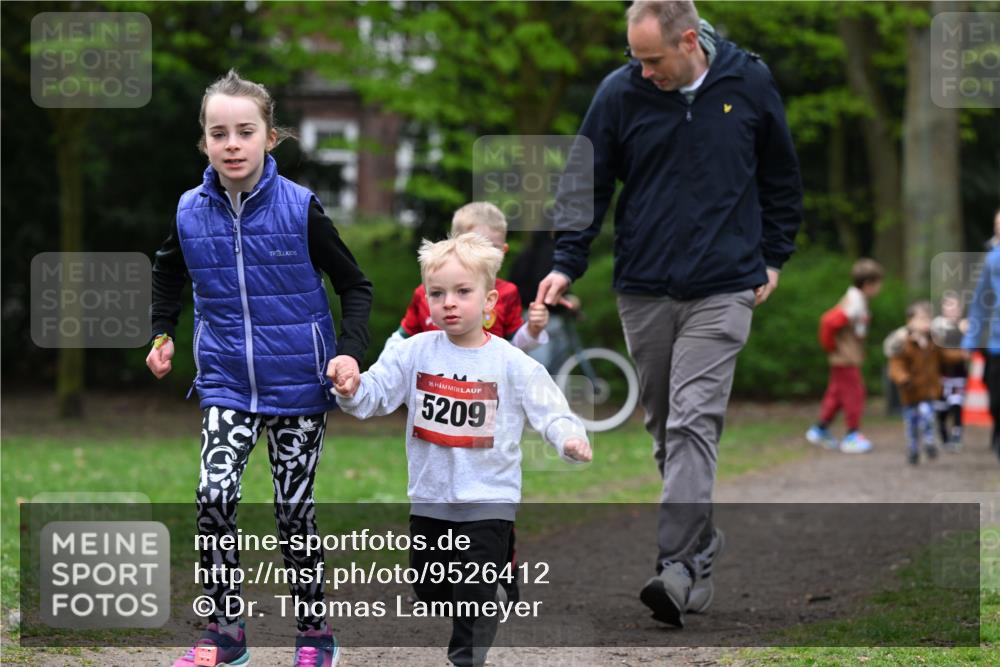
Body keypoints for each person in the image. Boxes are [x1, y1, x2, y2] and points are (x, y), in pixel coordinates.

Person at [535, 0, 803, 628]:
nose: (642, 70)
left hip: (725, 287)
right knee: (665, 430)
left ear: (689, 42)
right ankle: (702, 545)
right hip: (644, 288)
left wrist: (773, 257)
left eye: (652, 59)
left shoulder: (749, 81)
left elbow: (781, 176)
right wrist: (567, 260)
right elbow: (585, 182)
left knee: (692, 424)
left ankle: (677, 567)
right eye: (635, 57)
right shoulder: (621, 93)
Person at [148, 69, 373, 667]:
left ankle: (315, 636)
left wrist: (348, 350)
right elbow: (168, 269)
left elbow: (355, 284)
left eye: (245, 131)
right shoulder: (190, 211)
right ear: (204, 143)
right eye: (218, 132)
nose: (232, 143)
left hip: (300, 384)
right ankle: (225, 633)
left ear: (270, 138)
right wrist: (162, 330)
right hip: (226, 381)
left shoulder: (301, 208)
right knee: (213, 493)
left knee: (293, 508)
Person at [331, 233, 592, 667]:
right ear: (426, 299)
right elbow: (374, 393)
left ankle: (466, 653)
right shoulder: (414, 353)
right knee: (429, 587)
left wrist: (568, 437)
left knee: (473, 589)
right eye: (437, 293)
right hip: (431, 496)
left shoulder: (511, 362)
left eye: (462, 292)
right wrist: (351, 388)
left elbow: (549, 408)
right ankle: (495, 587)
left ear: (490, 301)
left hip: (489, 498)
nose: (448, 302)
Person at [387, 202, 550, 353]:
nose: (484, 255)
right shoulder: (425, 293)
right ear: (453, 245)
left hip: (486, 381)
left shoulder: (507, 293)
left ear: (503, 251)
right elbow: (401, 340)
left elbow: (514, 347)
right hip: (434, 381)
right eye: (474, 247)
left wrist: (533, 330)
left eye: (492, 248)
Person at [807, 258, 884, 453]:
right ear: (868, 284)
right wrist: (831, 346)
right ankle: (852, 435)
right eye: (878, 284)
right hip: (845, 358)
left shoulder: (858, 299)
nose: (879, 289)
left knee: (837, 394)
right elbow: (828, 322)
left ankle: (820, 429)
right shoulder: (854, 303)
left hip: (847, 357)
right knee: (855, 394)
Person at [887, 302, 966, 465]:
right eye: (922, 319)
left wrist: (961, 355)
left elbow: (946, 355)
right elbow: (896, 366)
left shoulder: (933, 343)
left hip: (929, 391)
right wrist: (903, 378)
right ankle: (913, 448)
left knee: (928, 415)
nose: (926, 323)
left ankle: (929, 442)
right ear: (910, 321)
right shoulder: (903, 344)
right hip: (910, 393)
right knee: (912, 424)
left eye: (928, 319)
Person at [962, 229, 1000, 458]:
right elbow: (979, 304)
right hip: (996, 341)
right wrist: (970, 340)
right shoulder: (991, 259)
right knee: (996, 398)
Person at [932, 293, 969, 450]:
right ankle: (944, 436)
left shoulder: (966, 327)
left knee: (956, 404)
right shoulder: (937, 326)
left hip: (958, 375)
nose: (952, 309)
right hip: (941, 376)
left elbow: (968, 352)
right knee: (942, 409)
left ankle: (956, 436)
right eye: (948, 305)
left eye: (955, 305)